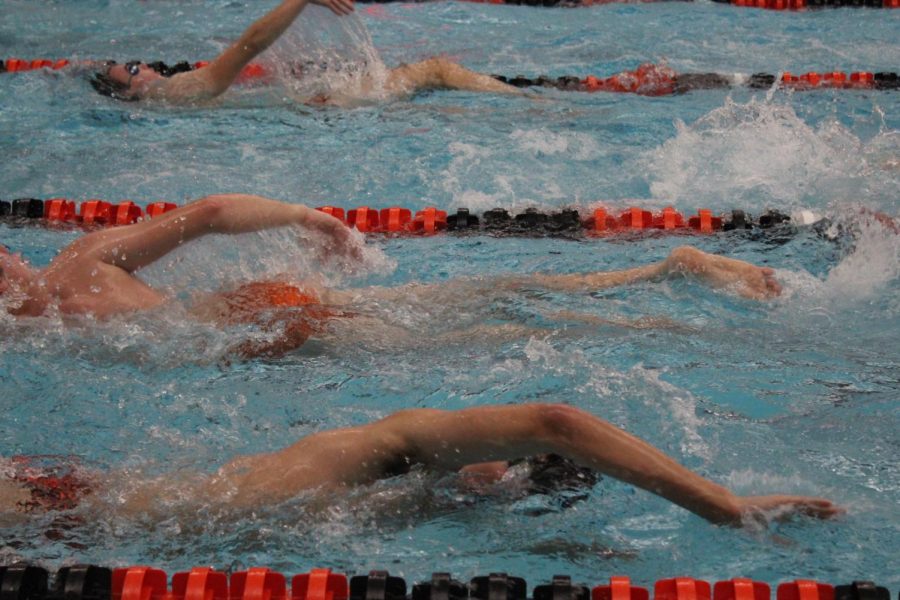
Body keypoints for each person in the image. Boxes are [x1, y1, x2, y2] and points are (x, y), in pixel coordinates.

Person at [1, 194, 783, 354]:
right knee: (482, 297)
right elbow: (206, 212)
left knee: (480, 332)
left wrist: (308, 221)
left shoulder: (50, 307)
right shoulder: (77, 260)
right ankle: (663, 268)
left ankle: (663, 317)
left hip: (267, 324)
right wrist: (306, 218)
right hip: (264, 308)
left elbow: (206, 213)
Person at [1, 403, 841, 526]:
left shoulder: (416, 497)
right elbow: (563, 419)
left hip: (91, 509)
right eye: (510, 473)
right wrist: (725, 504)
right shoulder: (397, 441)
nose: (499, 484)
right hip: (62, 508)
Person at [89, 0, 522, 104]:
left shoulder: (176, 95)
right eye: (130, 71)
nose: (142, 66)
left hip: (313, 109)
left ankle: (523, 101)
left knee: (434, 75)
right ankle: (526, 103)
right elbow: (250, 44)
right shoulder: (175, 92)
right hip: (323, 111)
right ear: (130, 93)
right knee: (437, 70)